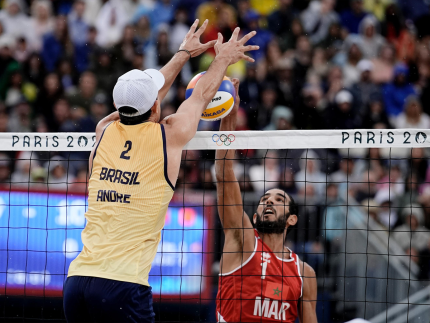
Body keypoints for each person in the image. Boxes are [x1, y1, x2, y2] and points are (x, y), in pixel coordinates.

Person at [63, 19, 258, 323]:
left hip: (76, 285)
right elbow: (201, 96)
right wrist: (222, 58)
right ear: (156, 105)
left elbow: (145, 101)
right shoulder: (169, 136)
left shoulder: (103, 131)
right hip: (123, 287)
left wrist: (182, 54)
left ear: (116, 103)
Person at [215, 80, 317, 322]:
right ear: (254, 216)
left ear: (292, 218)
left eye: (279, 198)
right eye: (264, 199)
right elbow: (224, 173)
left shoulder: (304, 273)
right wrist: (229, 113)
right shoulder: (242, 239)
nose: (269, 202)